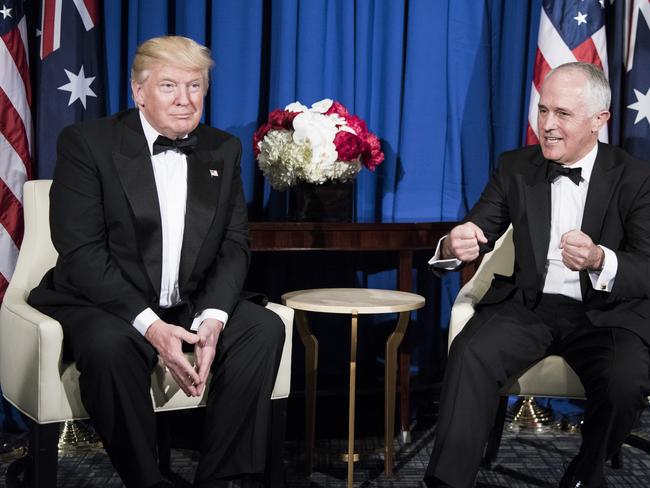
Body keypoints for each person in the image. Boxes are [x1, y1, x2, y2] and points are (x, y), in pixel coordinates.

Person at [28, 35, 285, 488]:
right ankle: (148, 481)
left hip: (185, 299)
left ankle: (221, 477)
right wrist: (150, 325)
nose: (185, 100)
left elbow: (233, 243)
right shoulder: (87, 143)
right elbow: (82, 252)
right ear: (138, 91)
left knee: (263, 328)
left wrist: (214, 317)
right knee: (110, 347)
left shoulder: (222, 149)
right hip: (103, 301)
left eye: (195, 86)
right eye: (169, 86)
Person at [424, 62, 650, 488]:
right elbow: (475, 231)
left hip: (608, 314)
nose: (546, 125)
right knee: (471, 351)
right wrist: (452, 247)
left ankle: (584, 475)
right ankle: (445, 482)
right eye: (543, 111)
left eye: (562, 114)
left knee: (625, 380)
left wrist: (602, 259)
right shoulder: (515, 166)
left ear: (599, 120)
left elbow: (647, 268)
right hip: (530, 305)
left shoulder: (636, 178)